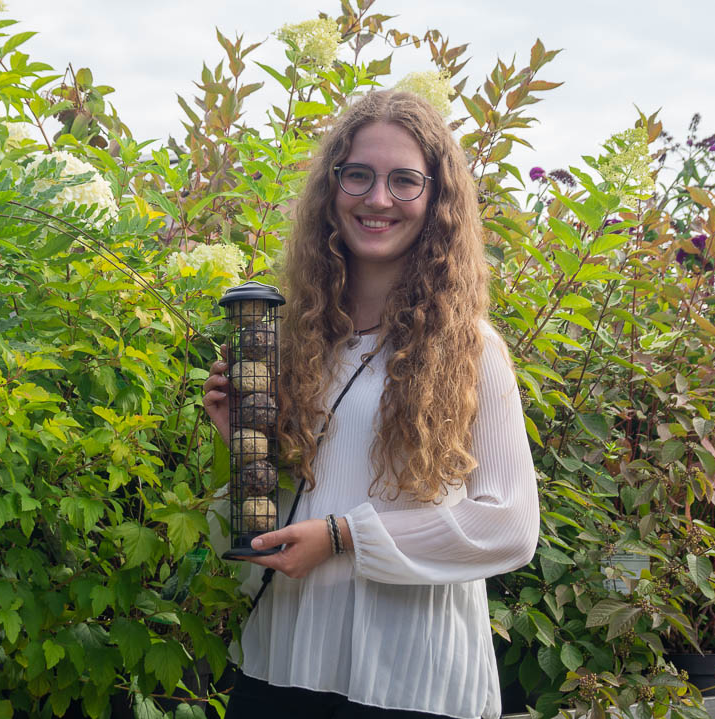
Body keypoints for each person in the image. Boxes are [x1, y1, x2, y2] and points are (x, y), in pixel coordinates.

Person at [202, 90, 539, 719]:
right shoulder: (295, 344)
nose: (378, 198)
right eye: (358, 175)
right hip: (284, 661)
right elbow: (278, 524)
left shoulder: (470, 349)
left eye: (404, 181)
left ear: (437, 199)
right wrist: (244, 446)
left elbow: (509, 526)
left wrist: (344, 536)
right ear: (331, 190)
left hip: (410, 677)